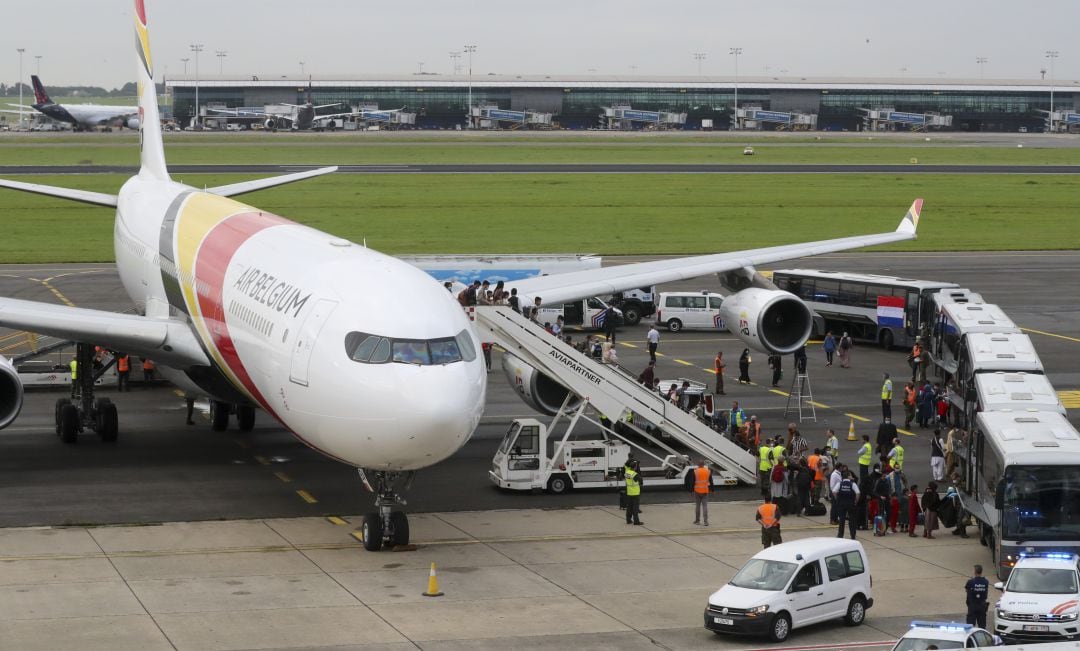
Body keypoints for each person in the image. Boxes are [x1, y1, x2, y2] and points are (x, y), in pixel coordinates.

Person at [834, 469, 860, 539]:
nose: (852, 476)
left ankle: (840, 535)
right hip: (851, 504)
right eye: (851, 475)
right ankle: (853, 535)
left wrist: (837, 499)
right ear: (848, 476)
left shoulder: (840, 484)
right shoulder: (853, 484)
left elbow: (834, 492)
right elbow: (858, 493)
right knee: (852, 520)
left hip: (842, 504)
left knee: (841, 520)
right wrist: (856, 501)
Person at [965, 564, 990, 629]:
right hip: (982, 606)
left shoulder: (970, 582)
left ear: (975, 572)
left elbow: (966, 590)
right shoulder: (986, 581)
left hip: (972, 606)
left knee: (970, 627)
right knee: (982, 627)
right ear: (981, 572)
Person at [688, 459, 712, 526]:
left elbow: (692, 482)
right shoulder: (708, 471)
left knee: (697, 506)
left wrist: (691, 491)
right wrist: (712, 490)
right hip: (705, 491)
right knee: (705, 506)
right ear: (703, 464)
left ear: (698, 465)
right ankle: (706, 522)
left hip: (697, 491)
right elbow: (711, 481)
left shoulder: (695, 472)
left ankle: (697, 521)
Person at [624, 461, 643, 525]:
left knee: (629, 507)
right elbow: (640, 480)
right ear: (635, 467)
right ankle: (636, 521)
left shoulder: (627, 473)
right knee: (635, 508)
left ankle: (628, 520)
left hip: (629, 492)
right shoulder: (635, 474)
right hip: (635, 493)